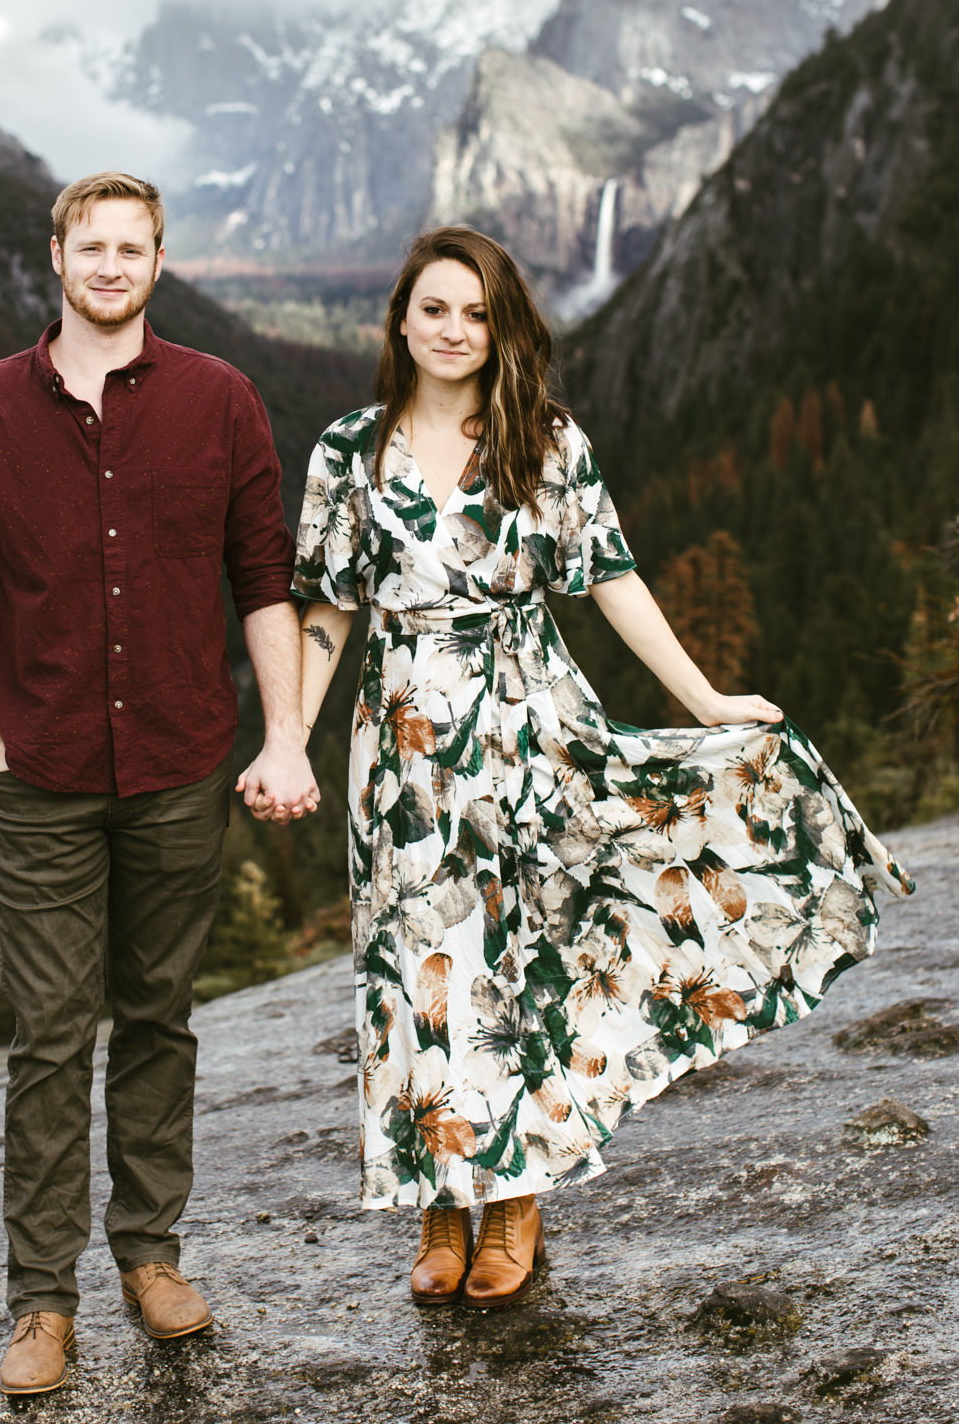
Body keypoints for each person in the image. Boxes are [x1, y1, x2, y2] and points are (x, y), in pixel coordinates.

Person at [292, 226, 912, 1309]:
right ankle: (442, 1197)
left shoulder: (542, 437)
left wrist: (705, 698)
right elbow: (324, 608)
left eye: (475, 313)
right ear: (399, 318)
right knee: (414, 962)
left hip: (530, 716)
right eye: (433, 308)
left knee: (527, 947)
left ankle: (516, 1193)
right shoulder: (348, 449)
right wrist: (284, 736)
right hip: (400, 749)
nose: (452, 330)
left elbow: (611, 577)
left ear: (502, 329)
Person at [0, 171, 317, 1394]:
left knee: (156, 1016)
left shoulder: (220, 399)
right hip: (38, 778)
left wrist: (287, 735)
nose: (109, 264)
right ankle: (41, 1299)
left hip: (178, 765)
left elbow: (264, 584)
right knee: (49, 1035)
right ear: (55, 255)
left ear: (157, 259)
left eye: (130, 246)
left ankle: (151, 1254)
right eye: (89, 245)